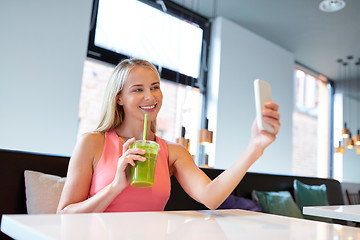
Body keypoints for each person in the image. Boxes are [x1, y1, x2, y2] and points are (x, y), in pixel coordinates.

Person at [57, 58, 280, 213]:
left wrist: (255, 148)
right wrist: (115, 186)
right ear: (119, 98)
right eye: (138, 89)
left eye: (155, 87)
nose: (150, 97)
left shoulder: (173, 153)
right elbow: (65, 215)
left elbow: (211, 198)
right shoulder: (92, 143)